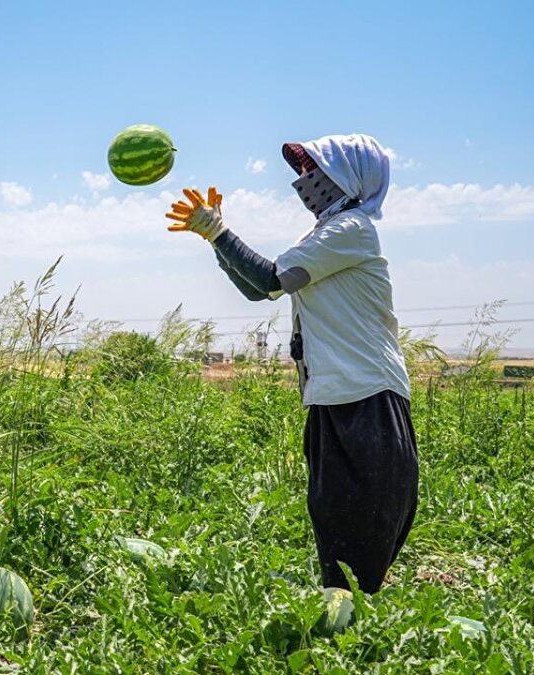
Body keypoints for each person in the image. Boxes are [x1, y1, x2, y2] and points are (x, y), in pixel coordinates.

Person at [166, 134, 417, 594]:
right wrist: (215, 240)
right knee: (330, 507)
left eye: (312, 170)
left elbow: (268, 278)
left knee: (367, 511)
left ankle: (361, 614)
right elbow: (258, 289)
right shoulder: (322, 234)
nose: (304, 180)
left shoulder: (353, 230)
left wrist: (220, 233)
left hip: (367, 391)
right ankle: (340, 606)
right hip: (330, 390)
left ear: (346, 177)